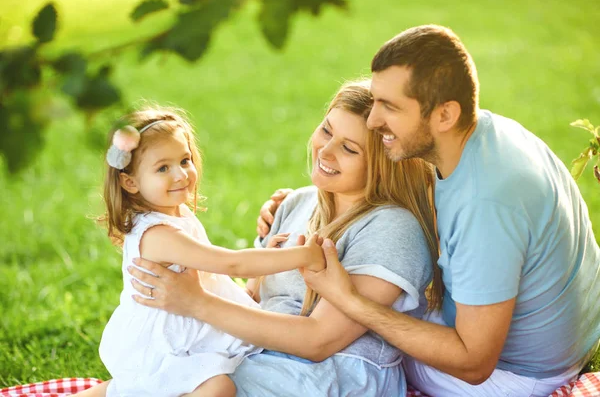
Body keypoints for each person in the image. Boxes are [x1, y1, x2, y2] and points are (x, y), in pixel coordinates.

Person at [258, 25, 600, 397]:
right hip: (560, 335)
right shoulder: (485, 137)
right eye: (375, 101)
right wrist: (306, 204)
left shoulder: (486, 203)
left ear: (444, 115)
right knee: (377, 279)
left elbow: (473, 363)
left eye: (390, 107)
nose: (373, 121)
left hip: (514, 372)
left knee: (350, 336)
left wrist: (349, 299)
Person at [81, 80, 442, 396]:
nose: (326, 151)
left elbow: (320, 341)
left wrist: (196, 302)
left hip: (330, 372)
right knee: (138, 385)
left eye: (350, 148)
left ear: (385, 162)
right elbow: (251, 300)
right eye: (327, 130)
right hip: (255, 350)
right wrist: (254, 279)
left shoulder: (393, 228)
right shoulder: (297, 203)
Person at [93, 106, 326, 397]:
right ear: (130, 182)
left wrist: (267, 262)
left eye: (184, 160)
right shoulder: (158, 234)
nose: (180, 175)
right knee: (217, 388)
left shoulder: (172, 214)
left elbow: (216, 277)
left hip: (186, 330)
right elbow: (230, 264)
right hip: (163, 343)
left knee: (200, 385)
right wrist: (303, 255)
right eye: (163, 168)